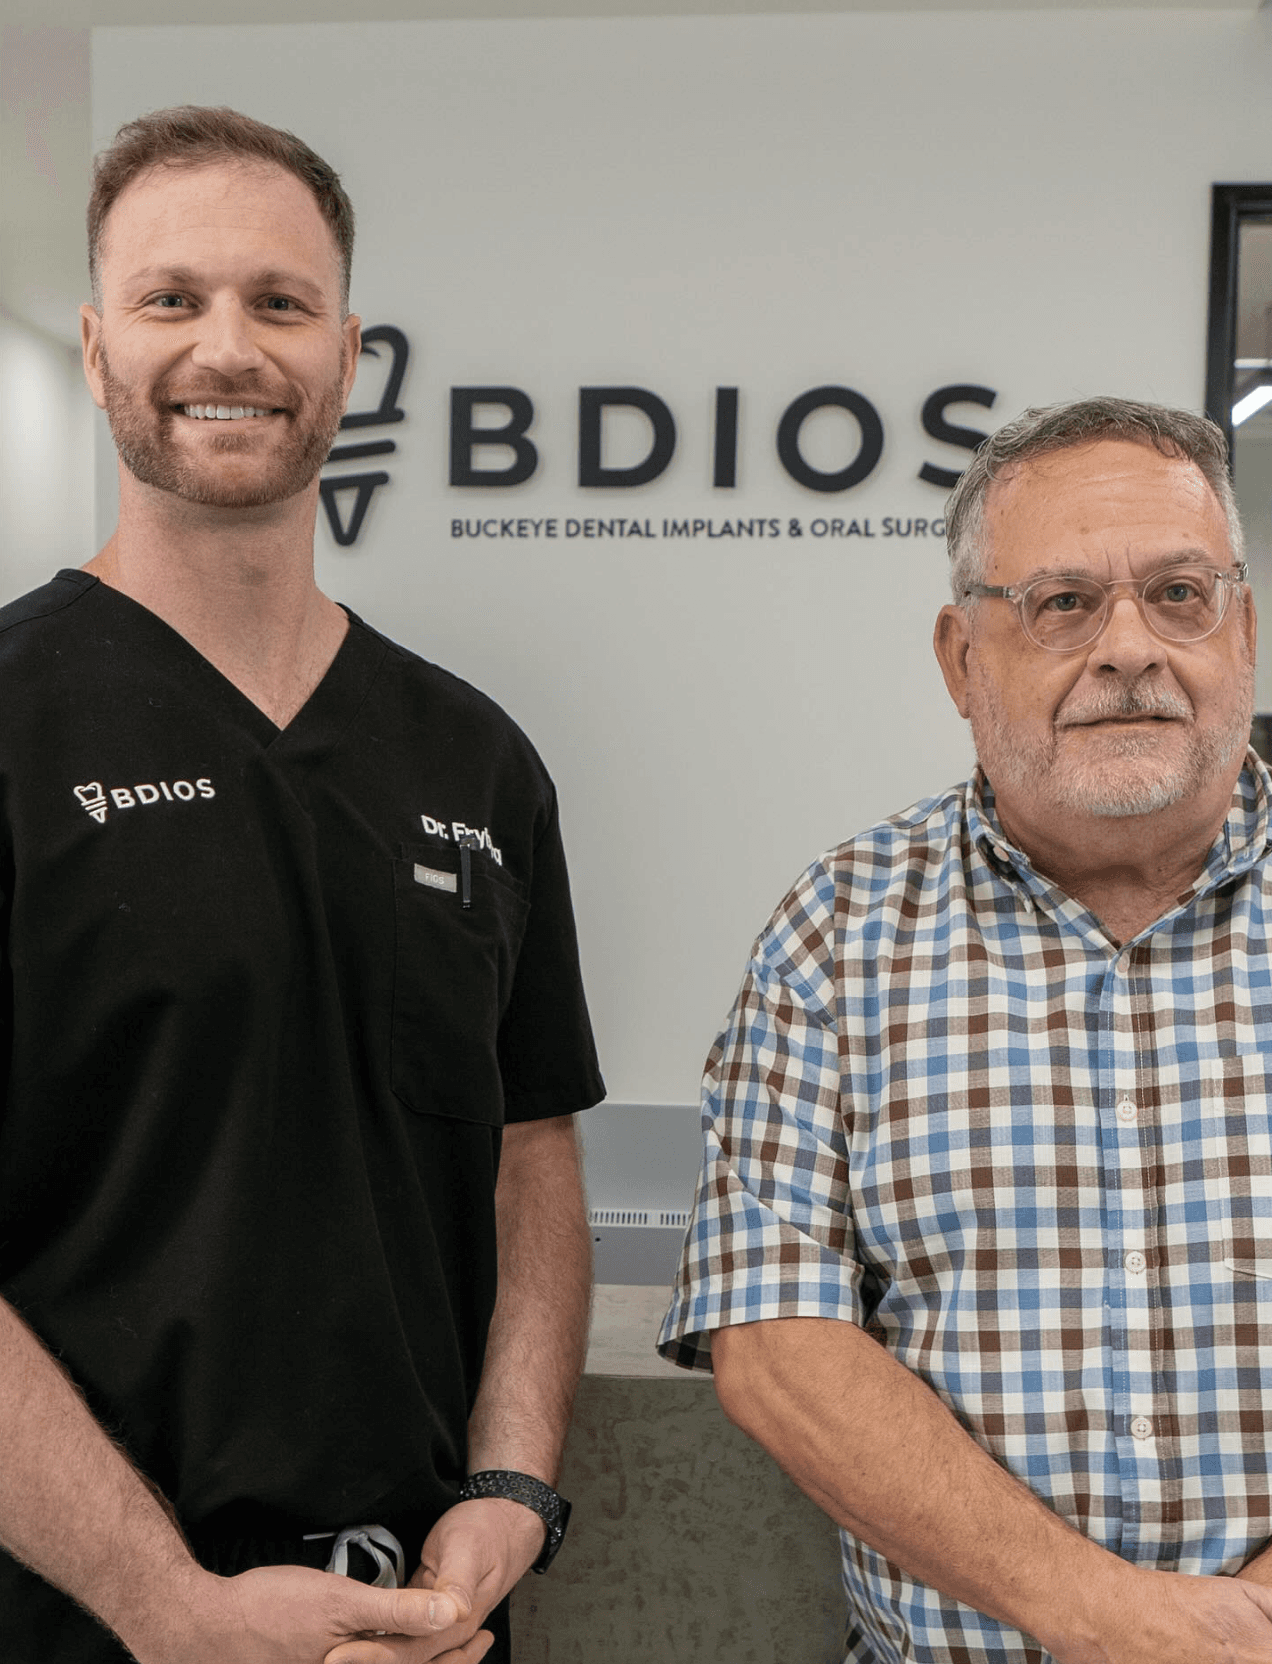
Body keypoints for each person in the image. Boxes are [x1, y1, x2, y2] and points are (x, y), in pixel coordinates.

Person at [0, 105, 604, 1664]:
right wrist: (166, 1603)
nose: (229, 345)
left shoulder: (476, 761)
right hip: (80, 1621)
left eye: (279, 302)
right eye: (170, 298)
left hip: (427, 1622)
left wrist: (514, 1480)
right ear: (93, 343)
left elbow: (530, 1148)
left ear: (350, 353)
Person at [658, 396, 1272, 1664]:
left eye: (1179, 594)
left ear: (1246, 632)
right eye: (1060, 604)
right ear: (960, 659)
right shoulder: (837, 934)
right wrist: (1103, 1614)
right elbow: (774, 1340)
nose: (1128, 649)